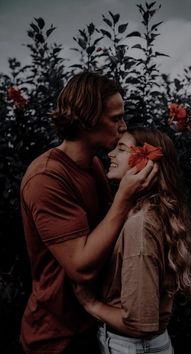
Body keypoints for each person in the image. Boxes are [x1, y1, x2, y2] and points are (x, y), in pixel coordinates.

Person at [20, 72, 157, 354]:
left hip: (94, 325)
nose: (123, 126)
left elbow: (109, 233)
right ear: (88, 119)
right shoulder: (47, 178)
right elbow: (81, 267)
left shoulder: (94, 165)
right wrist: (124, 196)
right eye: (115, 118)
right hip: (56, 339)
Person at [75, 127, 191, 354]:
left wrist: (90, 304)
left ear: (145, 163)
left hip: (133, 347)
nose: (110, 154)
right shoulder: (149, 212)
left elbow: (140, 323)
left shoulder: (139, 224)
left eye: (121, 148)